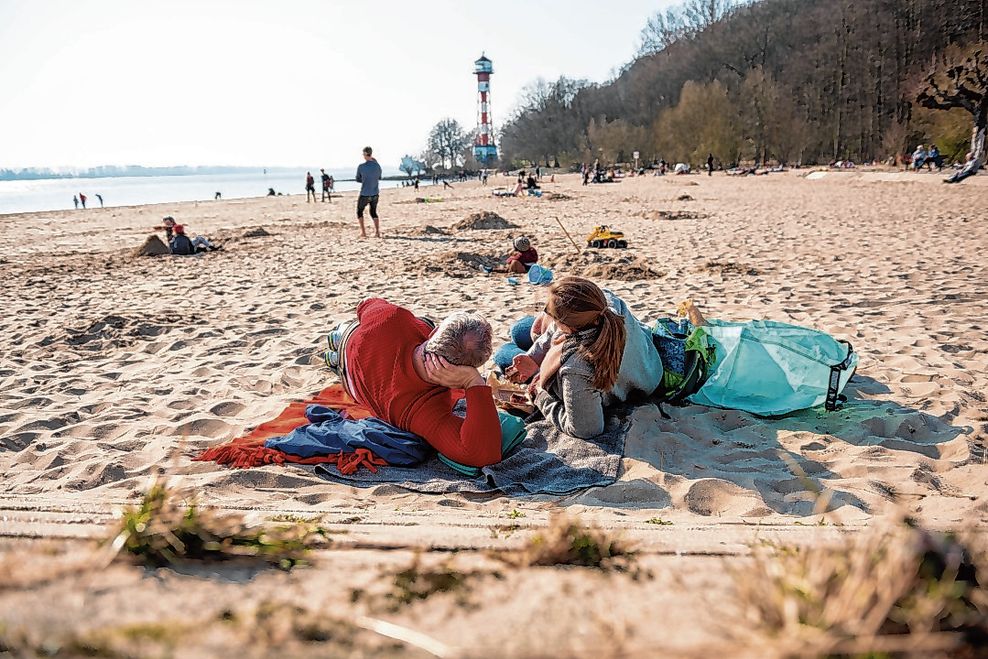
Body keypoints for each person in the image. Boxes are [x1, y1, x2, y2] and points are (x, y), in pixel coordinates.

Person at [326, 298, 502, 467]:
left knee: (421, 322)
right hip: (350, 382)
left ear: (434, 333)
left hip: (353, 339)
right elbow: (482, 454)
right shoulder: (423, 411)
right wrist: (473, 382)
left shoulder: (394, 316)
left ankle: (340, 337)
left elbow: (365, 303)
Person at [502, 277, 664, 439]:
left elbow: (586, 429)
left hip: (634, 383)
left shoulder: (576, 368)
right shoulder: (605, 303)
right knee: (519, 330)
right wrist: (533, 356)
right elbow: (555, 329)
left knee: (503, 354)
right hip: (650, 366)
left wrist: (540, 396)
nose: (547, 314)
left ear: (567, 326)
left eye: (550, 313)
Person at [355, 146, 383, 238]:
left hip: (365, 193)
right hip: (375, 192)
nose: (363, 156)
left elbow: (358, 179)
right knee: (373, 212)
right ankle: (377, 232)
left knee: (359, 211)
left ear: (366, 154)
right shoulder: (377, 166)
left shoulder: (361, 166)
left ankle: (363, 232)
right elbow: (379, 177)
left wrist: (365, 178)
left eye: (363, 154)